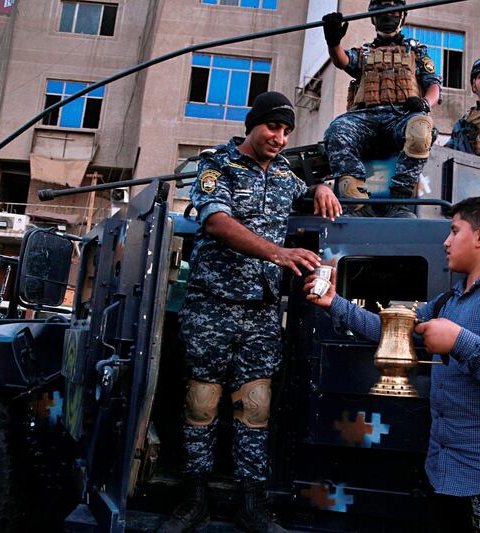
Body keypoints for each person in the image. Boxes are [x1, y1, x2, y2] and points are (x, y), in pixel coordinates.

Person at [305, 196, 480, 532]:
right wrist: (335, 303)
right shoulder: (448, 301)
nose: (446, 242)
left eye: (454, 231)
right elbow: (390, 330)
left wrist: (459, 341)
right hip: (446, 475)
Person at [159, 91, 341, 533]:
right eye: (271, 128)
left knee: (255, 406)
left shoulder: (284, 175)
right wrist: (277, 253)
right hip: (212, 303)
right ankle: (194, 498)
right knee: (202, 402)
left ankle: (251, 501)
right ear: (252, 125)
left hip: (260, 310)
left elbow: (305, 193)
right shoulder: (215, 165)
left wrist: (319, 186)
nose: (278, 138)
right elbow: (216, 221)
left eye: (285, 131)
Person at [321, 0, 441, 218]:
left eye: (394, 11)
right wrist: (332, 41)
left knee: (422, 128)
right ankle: (357, 204)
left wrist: (424, 103)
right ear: (373, 18)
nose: (389, 17)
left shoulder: (417, 52)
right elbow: (342, 60)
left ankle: (399, 202)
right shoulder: (365, 52)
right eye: (383, 11)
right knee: (337, 130)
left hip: (400, 117)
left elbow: (433, 85)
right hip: (365, 119)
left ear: (402, 16)